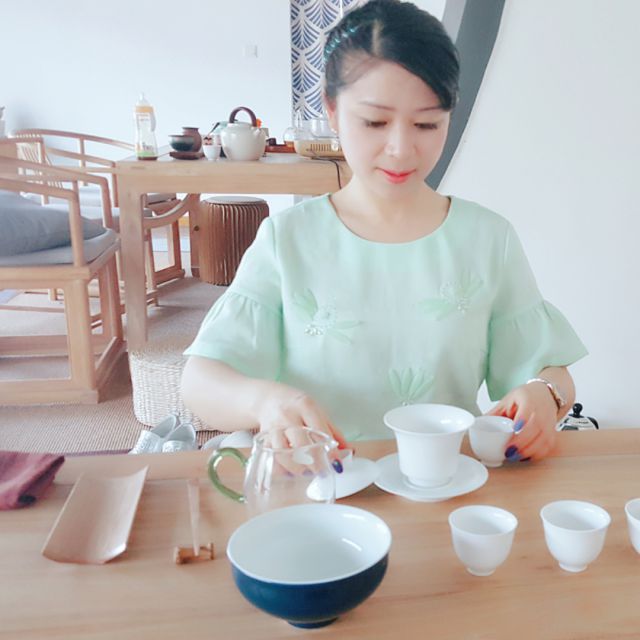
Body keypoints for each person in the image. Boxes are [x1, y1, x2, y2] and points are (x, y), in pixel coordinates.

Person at [181, 0, 587, 462]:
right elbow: (200, 380)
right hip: (320, 483)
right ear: (332, 110)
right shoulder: (287, 239)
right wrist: (266, 402)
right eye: (374, 122)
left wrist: (543, 394)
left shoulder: (489, 239)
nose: (400, 149)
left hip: (445, 481)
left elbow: (548, 372)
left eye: (426, 123)